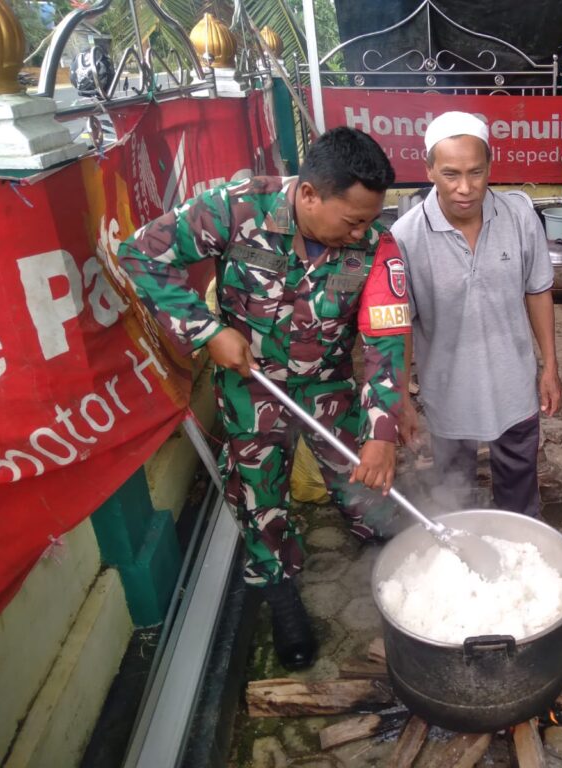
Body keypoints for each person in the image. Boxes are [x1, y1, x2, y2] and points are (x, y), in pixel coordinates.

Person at [118, 128, 408, 669]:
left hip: (326, 381)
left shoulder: (377, 244)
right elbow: (139, 254)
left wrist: (384, 433)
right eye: (353, 220)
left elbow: (386, 342)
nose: (363, 232)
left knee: (359, 470)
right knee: (258, 490)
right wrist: (205, 330)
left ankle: (376, 530)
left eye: (370, 219)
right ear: (309, 195)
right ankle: (279, 591)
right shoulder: (235, 209)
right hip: (251, 382)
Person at [391, 111, 562, 519]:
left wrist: (550, 366)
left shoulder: (519, 215)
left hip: (514, 383)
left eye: (476, 172)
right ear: (428, 168)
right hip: (448, 389)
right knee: (455, 490)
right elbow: (403, 324)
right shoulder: (406, 237)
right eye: (450, 174)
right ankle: (463, 560)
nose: (465, 188)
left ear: (490, 166)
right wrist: (401, 397)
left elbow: (538, 291)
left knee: (520, 487)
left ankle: (522, 554)